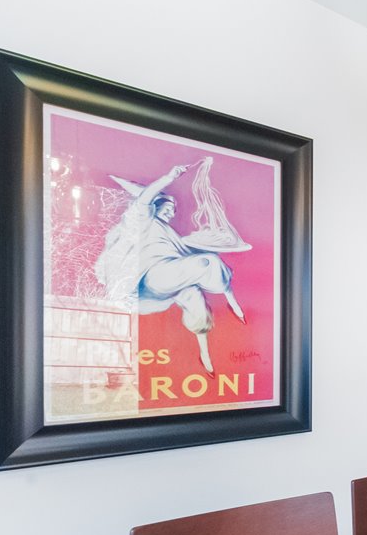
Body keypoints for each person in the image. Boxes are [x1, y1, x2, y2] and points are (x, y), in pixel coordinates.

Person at [93, 157, 250, 373]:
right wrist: (169, 178)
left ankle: (205, 354)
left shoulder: (171, 234)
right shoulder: (143, 220)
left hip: (168, 279)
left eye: (174, 210)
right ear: (155, 208)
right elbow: (145, 198)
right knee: (208, 262)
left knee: (195, 297)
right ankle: (231, 300)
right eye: (167, 208)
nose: (172, 212)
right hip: (154, 277)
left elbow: (183, 252)